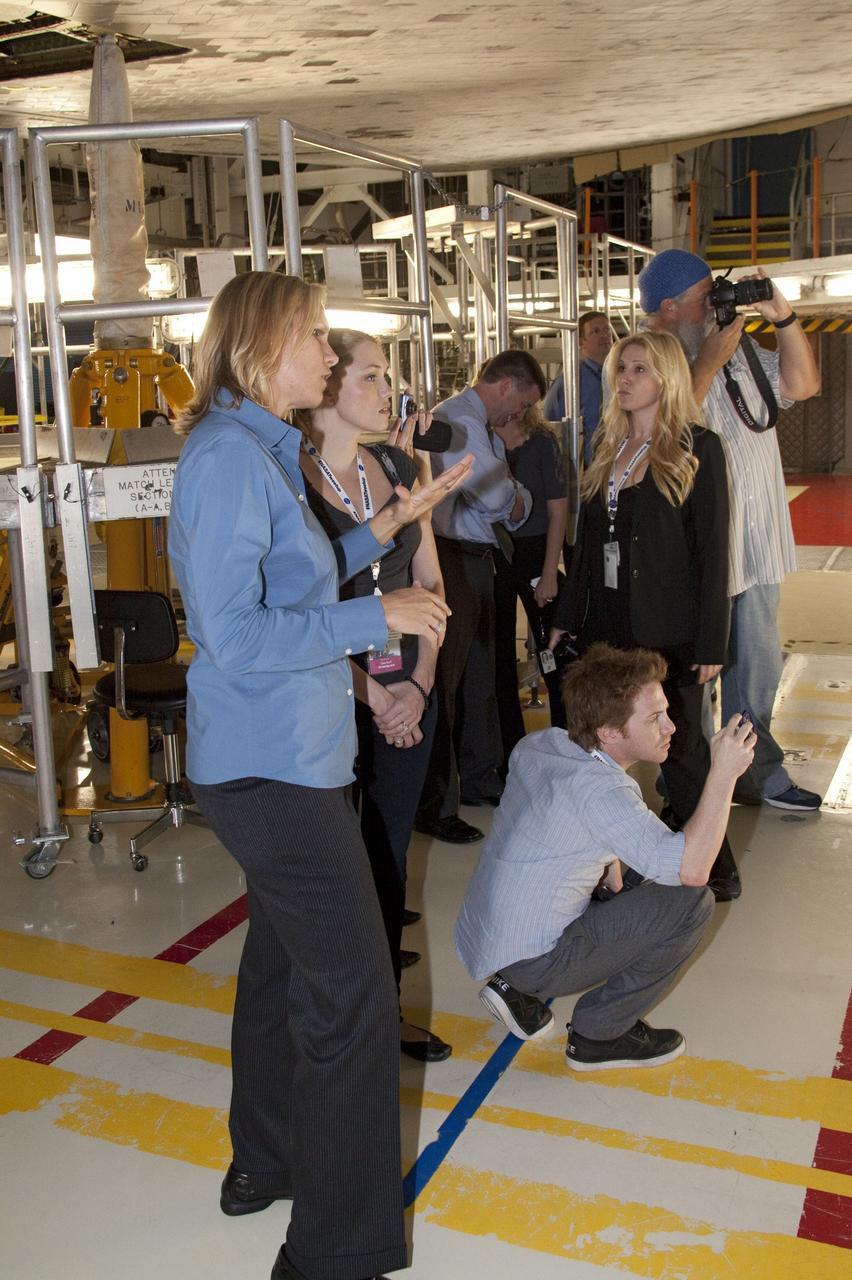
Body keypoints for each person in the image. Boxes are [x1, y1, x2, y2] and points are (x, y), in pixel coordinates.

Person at [167, 272, 472, 1280]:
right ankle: (333, 1252)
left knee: (289, 962)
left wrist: (387, 529)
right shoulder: (225, 458)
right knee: (352, 994)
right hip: (266, 765)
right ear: (262, 348)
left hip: (290, 755)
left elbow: (291, 575)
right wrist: (373, 616)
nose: (332, 358)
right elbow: (231, 632)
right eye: (314, 339)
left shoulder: (258, 448)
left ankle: (264, 1154)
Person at [455, 643, 757, 1070]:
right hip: (533, 957)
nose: (671, 726)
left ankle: (513, 987)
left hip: (489, 936)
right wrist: (723, 773)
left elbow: (567, 829)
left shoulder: (544, 743)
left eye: (666, 711)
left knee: (631, 879)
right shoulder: (604, 793)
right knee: (692, 903)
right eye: (655, 719)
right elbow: (692, 871)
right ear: (610, 731)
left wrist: (610, 870)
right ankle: (600, 1035)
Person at [298, 327, 451, 1064]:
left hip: (405, 683)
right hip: (330, 690)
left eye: (385, 376)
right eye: (370, 376)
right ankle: (334, 1008)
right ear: (326, 393)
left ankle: (381, 1010)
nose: (386, 389)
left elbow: (429, 581)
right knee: (335, 864)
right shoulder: (290, 482)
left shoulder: (395, 465)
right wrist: (371, 697)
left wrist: (415, 687)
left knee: (388, 852)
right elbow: (297, 612)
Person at [550, 330, 738, 900]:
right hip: (607, 625)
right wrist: (566, 613)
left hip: (668, 632)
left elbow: (713, 552)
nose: (624, 379)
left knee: (680, 750)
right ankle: (605, 861)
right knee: (603, 743)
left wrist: (712, 643)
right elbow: (584, 549)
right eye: (620, 369)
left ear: (666, 379)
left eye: (638, 369)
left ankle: (717, 866)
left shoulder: (697, 448)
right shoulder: (606, 448)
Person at [638, 248, 822, 812]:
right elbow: (662, 434)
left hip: (758, 545)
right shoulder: (649, 359)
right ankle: (687, 784)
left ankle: (756, 777)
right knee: (693, 682)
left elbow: (803, 384)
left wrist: (781, 316)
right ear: (668, 308)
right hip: (697, 560)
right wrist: (709, 363)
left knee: (757, 675)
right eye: (703, 298)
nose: (715, 305)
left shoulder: (737, 349)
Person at [414, 349, 546, 844]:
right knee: (445, 686)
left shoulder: (480, 428)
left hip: (480, 558)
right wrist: (510, 492)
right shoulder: (457, 424)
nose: (519, 418)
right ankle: (436, 803)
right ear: (506, 387)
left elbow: (516, 503)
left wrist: (509, 492)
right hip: (449, 559)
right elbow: (499, 499)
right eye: (521, 405)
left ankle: (481, 779)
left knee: (481, 679)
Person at [492, 402, 568, 768]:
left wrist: (550, 571)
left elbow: (558, 511)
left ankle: (568, 743)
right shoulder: (483, 438)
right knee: (498, 657)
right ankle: (509, 753)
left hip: (538, 553)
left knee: (552, 654)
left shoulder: (542, 442)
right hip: (496, 554)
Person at [542, 310, 612, 463]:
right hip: (584, 468)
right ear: (581, 341)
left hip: (616, 464)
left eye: (607, 329)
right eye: (595, 332)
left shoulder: (620, 376)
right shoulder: (569, 382)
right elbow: (550, 426)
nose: (604, 335)